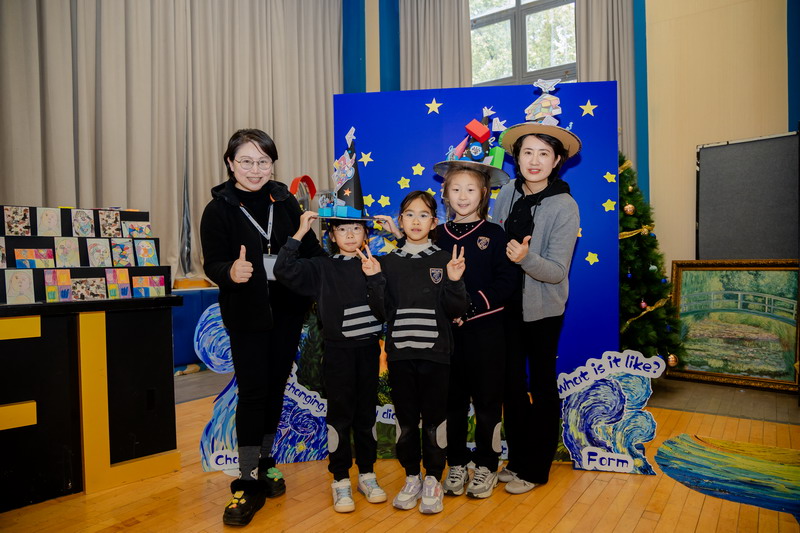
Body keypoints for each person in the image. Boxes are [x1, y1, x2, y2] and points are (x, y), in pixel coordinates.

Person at [200, 128, 324, 526]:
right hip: (246, 314)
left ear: (273, 164)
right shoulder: (218, 209)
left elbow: (312, 252)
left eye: (263, 162)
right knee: (253, 393)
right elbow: (212, 262)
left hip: (287, 313)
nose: (255, 170)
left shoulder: (285, 202)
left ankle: (267, 461)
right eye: (246, 161)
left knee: (274, 390)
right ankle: (247, 479)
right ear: (230, 163)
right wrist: (229, 271)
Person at [357, 190, 468, 515]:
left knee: (434, 422)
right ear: (400, 221)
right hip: (400, 356)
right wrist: (374, 280)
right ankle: (411, 477)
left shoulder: (445, 259)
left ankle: (433, 478)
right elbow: (381, 312)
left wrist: (455, 281)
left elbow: (456, 309)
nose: (416, 221)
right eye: (409, 214)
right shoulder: (387, 262)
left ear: (434, 222)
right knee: (407, 422)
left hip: (436, 355)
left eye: (423, 215)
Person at [273, 212, 387, 513]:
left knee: (366, 417)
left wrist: (375, 277)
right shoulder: (321, 267)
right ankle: (340, 479)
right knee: (340, 418)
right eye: (342, 229)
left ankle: (367, 474)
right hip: (337, 354)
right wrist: (299, 232)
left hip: (368, 352)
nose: (349, 235)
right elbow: (283, 270)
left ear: (366, 234)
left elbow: (385, 308)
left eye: (356, 228)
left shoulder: (375, 264)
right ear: (332, 236)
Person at [492, 122, 582, 494]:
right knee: (511, 386)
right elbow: (494, 240)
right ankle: (517, 460)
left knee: (542, 386)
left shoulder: (565, 205)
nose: (534, 160)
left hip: (543, 311)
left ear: (557, 160)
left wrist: (525, 258)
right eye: (527, 152)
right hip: (505, 306)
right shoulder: (508, 192)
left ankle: (536, 468)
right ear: (516, 158)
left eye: (544, 153)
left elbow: (557, 271)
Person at [430, 161, 518, 499]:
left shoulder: (495, 235)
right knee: (450, 402)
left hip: (486, 334)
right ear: (445, 194)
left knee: (487, 403)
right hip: (448, 336)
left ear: (483, 193)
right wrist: (448, 311)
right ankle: (456, 462)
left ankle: (486, 465)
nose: (462, 196)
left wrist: (470, 307)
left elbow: (507, 282)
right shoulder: (436, 235)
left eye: (470, 189)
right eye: (455, 189)